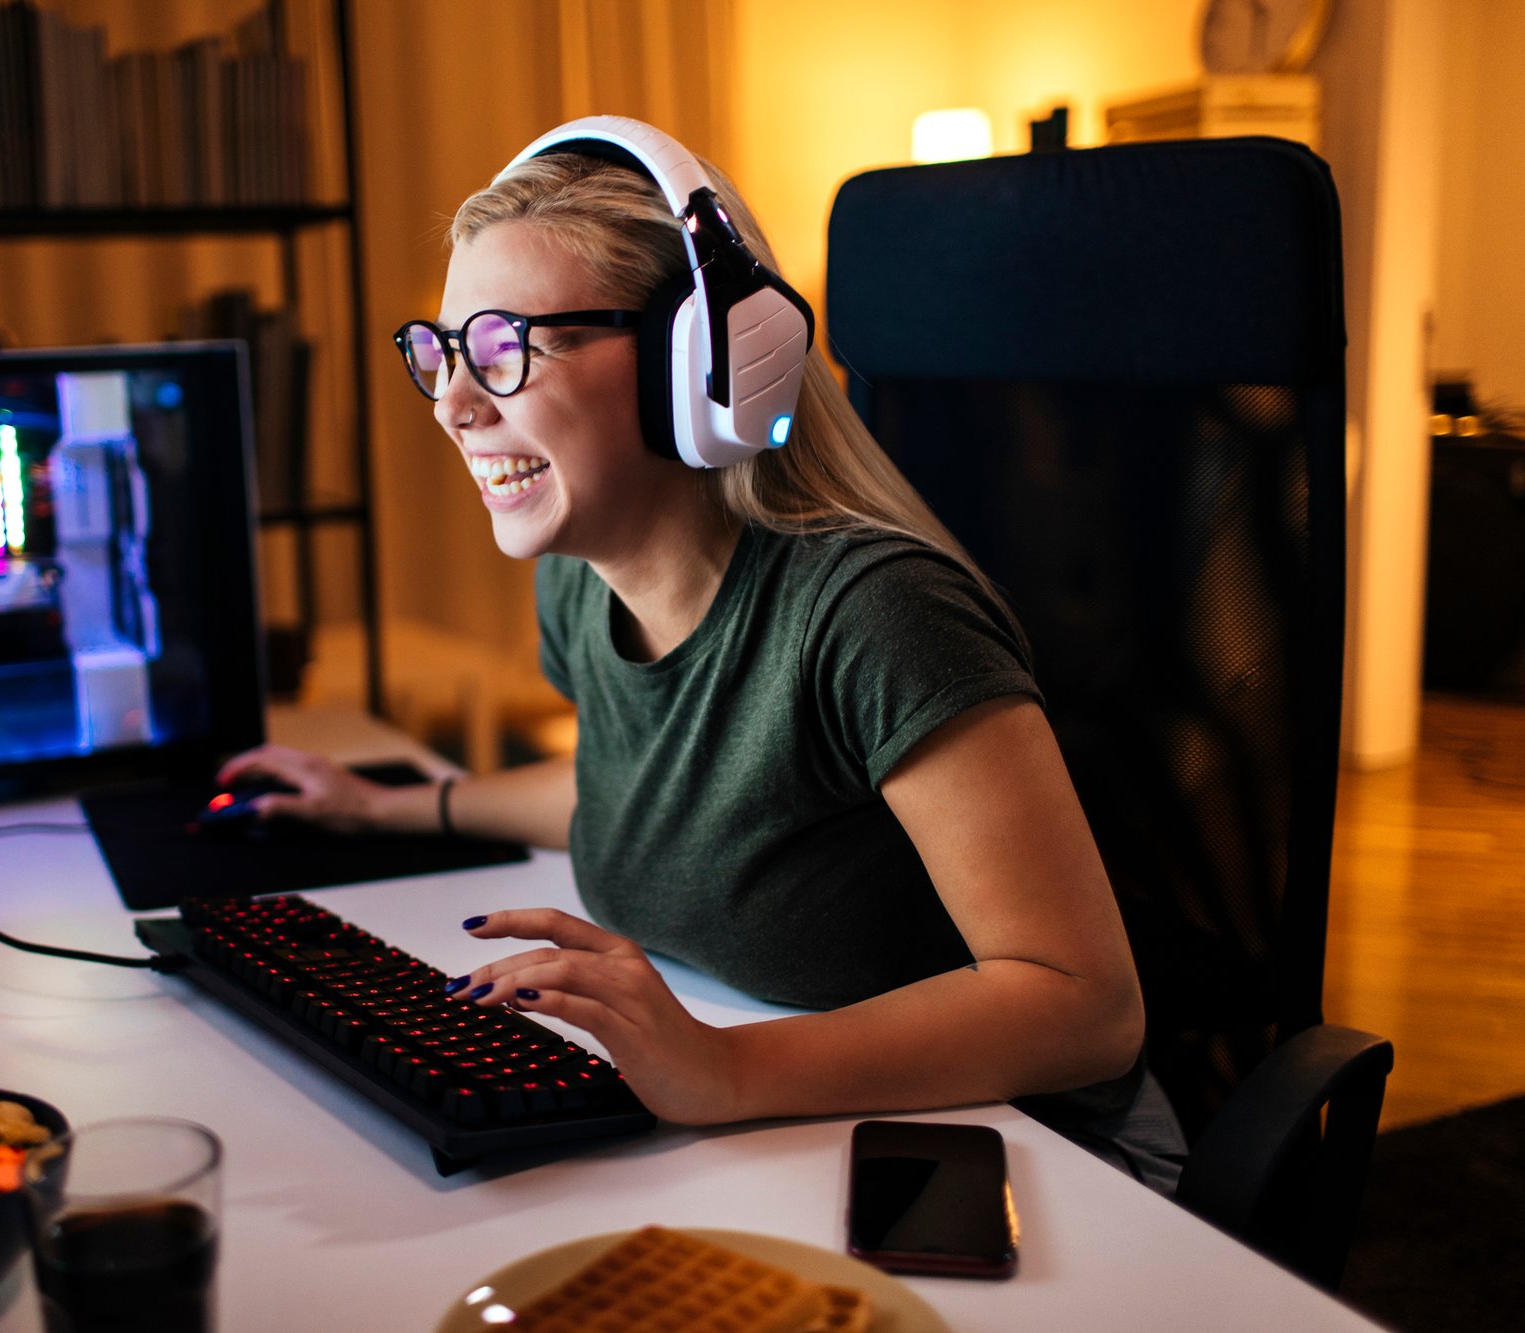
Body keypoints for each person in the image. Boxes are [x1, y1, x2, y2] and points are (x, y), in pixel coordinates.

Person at [218, 124, 1187, 1190]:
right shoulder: (580, 589)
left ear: (702, 360)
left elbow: (1084, 1006)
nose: (453, 403)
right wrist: (381, 806)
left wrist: (719, 1068)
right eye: (442, 352)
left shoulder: (874, 616)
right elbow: (635, 791)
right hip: (803, 1127)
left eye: (503, 346)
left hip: (1032, 1164)